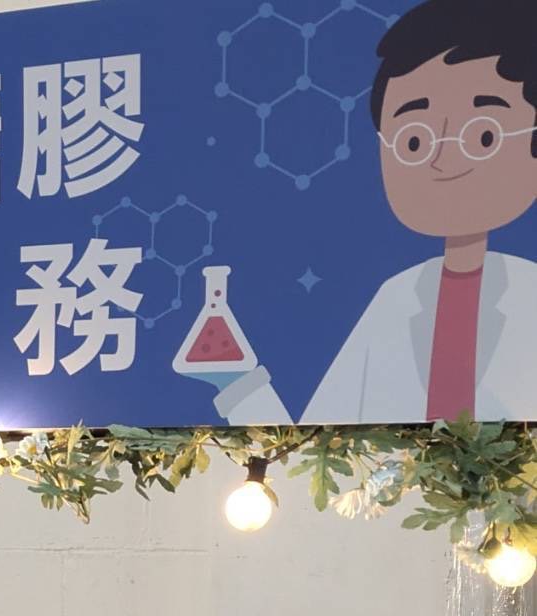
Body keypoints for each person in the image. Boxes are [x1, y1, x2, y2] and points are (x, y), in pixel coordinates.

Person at [212, 0, 537, 424]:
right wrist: (238, 387)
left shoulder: (530, 293)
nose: (443, 161)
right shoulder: (396, 299)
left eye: (483, 135)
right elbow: (323, 431)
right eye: (414, 142)